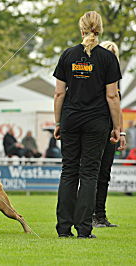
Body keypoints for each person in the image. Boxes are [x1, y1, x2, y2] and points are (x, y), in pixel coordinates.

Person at [53, 11, 121, 238]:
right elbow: (113, 97)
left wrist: (58, 122)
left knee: (69, 171)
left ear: (81, 29)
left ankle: (63, 229)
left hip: (71, 118)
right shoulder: (107, 58)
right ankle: (84, 229)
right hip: (97, 121)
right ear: (99, 29)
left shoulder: (68, 55)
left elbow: (59, 93)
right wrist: (117, 128)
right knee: (90, 173)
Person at [93, 41, 127, 228]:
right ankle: (89, 214)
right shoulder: (95, 82)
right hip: (97, 131)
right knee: (93, 174)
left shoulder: (115, 85)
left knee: (104, 174)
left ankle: (100, 214)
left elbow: (118, 109)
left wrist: (120, 131)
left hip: (110, 134)